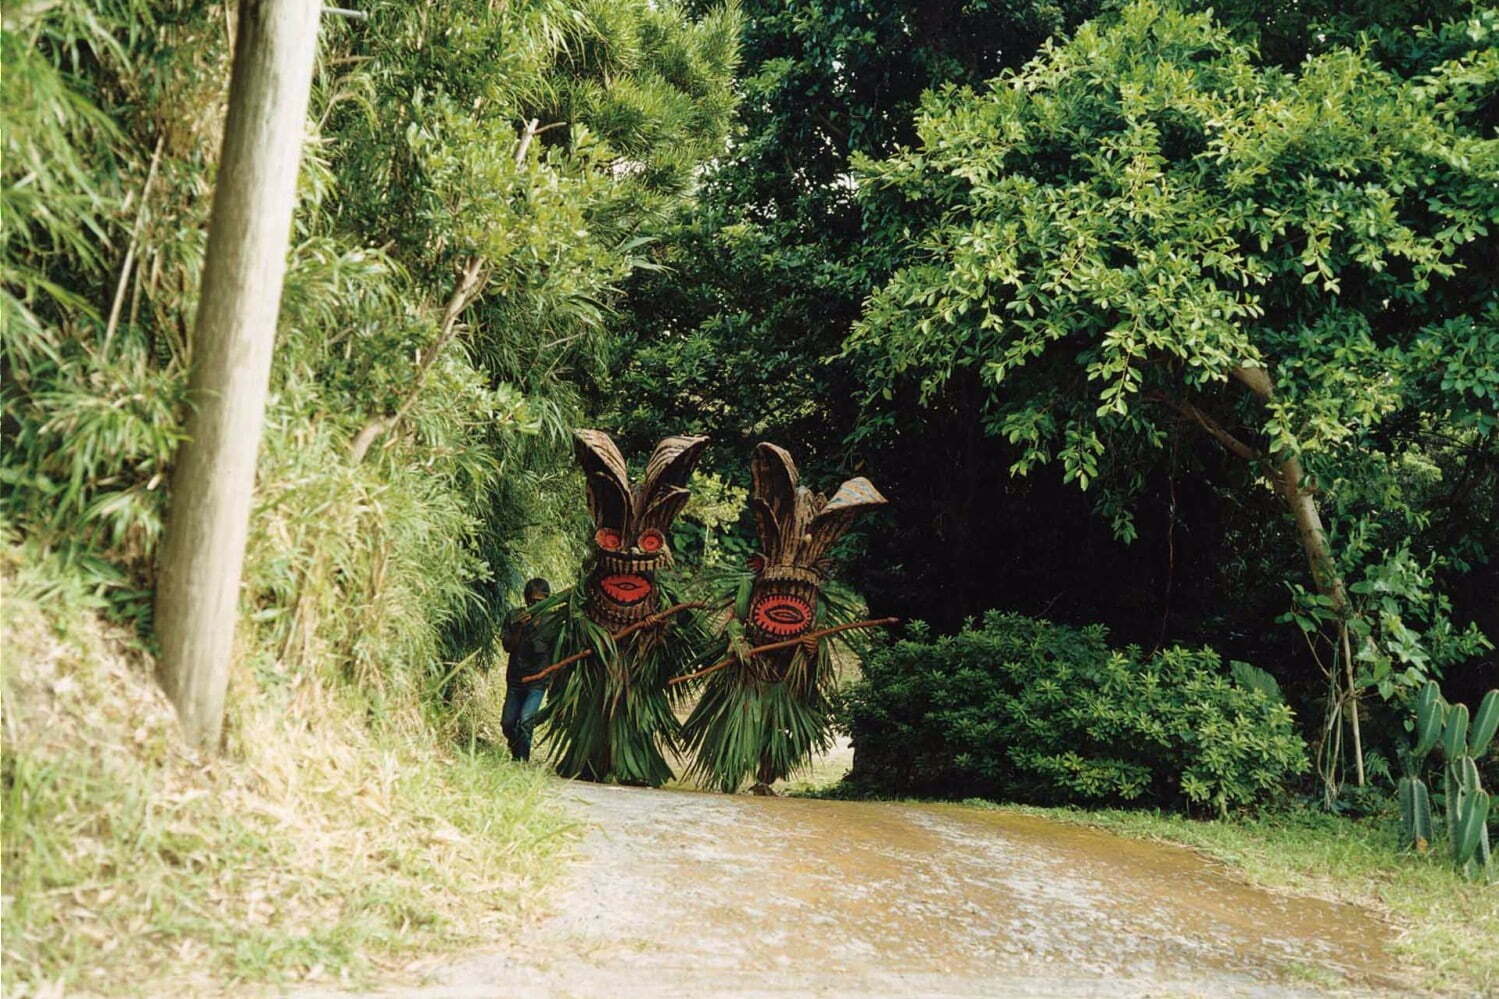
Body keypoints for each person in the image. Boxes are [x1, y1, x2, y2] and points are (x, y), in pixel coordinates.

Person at [499, 577, 553, 762]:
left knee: (526, 720)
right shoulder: (514, 617)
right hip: (515, 679)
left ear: (548, 599)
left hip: (537, 681)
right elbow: (508, 647)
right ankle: (516, 749)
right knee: (508, 723)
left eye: (539, 602)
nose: (534, 605)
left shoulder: (553, 622)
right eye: (531, 601)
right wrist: (519, 628)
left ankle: (521, 761)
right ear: (526, 599)